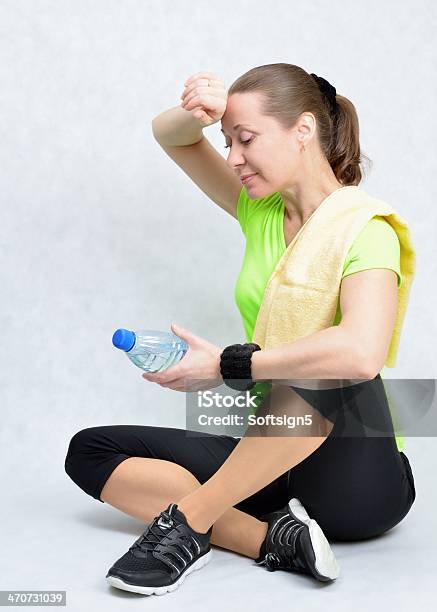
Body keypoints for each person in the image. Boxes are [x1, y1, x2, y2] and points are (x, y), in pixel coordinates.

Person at [64, 63, 416, 596]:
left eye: (245, 139)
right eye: (227, 141)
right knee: (89, 450)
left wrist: (229, 366)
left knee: (327, 366)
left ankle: (188, 523)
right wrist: (202, 110)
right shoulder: (260, 212)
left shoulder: (366, 230)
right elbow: (171, 136)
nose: (232, 158)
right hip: (270, 454)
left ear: (303, 130)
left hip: (358, 479)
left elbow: (362, 353)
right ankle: (272, 540)